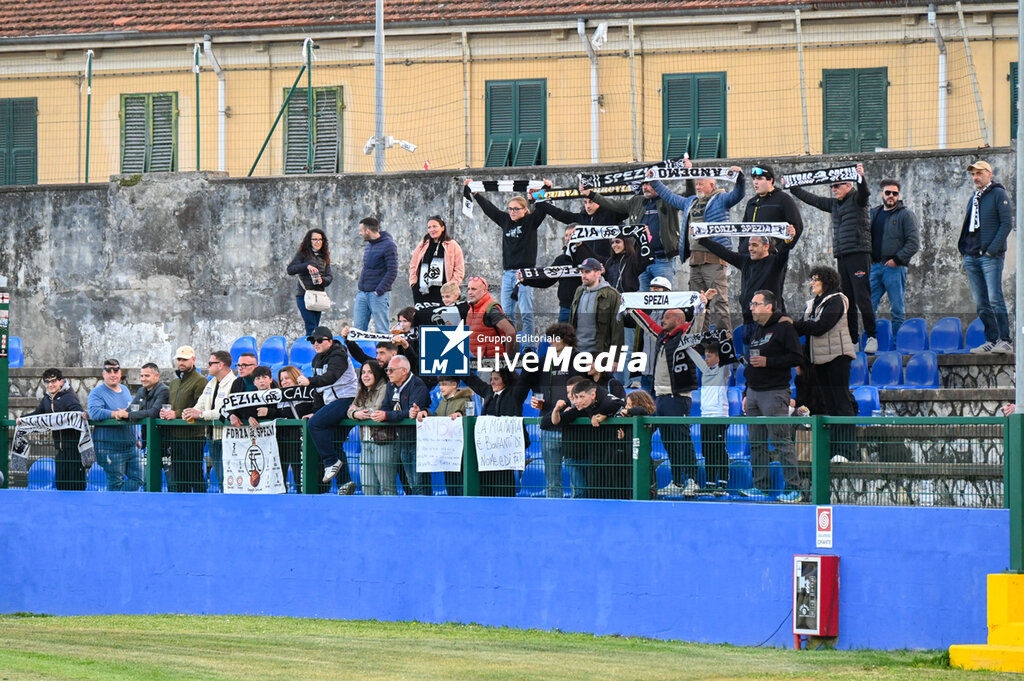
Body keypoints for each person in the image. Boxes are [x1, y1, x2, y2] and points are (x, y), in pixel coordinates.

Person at [789, 163, 878, 353]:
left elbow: (865, 193)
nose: (834, 189)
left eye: (838, 185)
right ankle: (853, 339)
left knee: (863, 297)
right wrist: (793, 187)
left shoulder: (857, 199)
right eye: (832, 186)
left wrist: (860, 178)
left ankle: (871, 336)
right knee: (848, 299)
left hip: (858, 253)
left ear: (849, 185)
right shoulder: (834, 204)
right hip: (842, 255)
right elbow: (813, 199)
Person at [628, 294, 711, 497]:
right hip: (661, 397)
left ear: (677, 320)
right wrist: (630, 307)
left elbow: (697, 324)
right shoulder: (663, 337)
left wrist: (702, 305)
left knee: (682, 439)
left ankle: (693, 480)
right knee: (669, 441)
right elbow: (648, 325)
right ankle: (677, 481)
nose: (662, 320)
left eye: (666, 317)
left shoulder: (686, 336)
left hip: (678, 397)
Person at [463, 181, 562, 346]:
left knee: (526, 313)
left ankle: (529, 348)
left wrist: (547, 189)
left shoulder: (531, 221)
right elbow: (491, 210)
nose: (512, 212)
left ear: (525, 210)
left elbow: (543, 208)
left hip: (524, 274)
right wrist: (475, 194)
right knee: (507, 314)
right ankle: (512, 347)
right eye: (510, 208)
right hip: (508, 273)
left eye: (516, 208)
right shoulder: (505, 220)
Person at [651, 162, 745, 332]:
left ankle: (724, 340)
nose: (698, 186)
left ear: (712, 185)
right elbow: (669, 196)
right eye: (697, 183)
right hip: (695, 261)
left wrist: (740, 179)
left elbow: (738, 195)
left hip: (714, 258)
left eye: (702, 183)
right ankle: (700, 339)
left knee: (718, 301)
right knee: (698, 303)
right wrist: (654, 181)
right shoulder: (691, 202)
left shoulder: (722, 199)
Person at [790, 266, 858, 461]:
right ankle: (834, 450)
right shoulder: (814, 303)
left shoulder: (836, 299)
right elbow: (807, 328)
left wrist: (793, 325)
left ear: (826, 281)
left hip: (837, 357)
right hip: (819, 359)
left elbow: (821, 327)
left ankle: (846, 452)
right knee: (830, 405)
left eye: (815, 279)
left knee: (842, 403)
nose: (811, 282)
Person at [742, 290, 804, 502]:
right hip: (753, 393)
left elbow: (797, 357)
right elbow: (751, 363)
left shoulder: (784, 328)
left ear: (769, 306)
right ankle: (761, 487)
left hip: (775, 391)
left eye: (756, 304)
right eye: (751, 304)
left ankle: (793, 489)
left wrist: (769, 362)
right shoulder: (757, 330)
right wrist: (745, 391)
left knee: (781, 441)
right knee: (756, 443)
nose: (751, 308)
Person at [698, 228, 800, 343]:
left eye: (755, 245)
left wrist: (788, 238)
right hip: (748, 323)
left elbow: (784, 252)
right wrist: (702, 239)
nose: (750, 248)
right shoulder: (745, 261)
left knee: (765, 358)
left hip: (768, 324)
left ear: (766, 246)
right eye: (749, 245)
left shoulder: (775, 262)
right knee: (749, 359)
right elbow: (724, 252)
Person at [958, 161, 1015, 354]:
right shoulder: (974, 197)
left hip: (990, 256)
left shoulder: (999, 194)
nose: (975, 177)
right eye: (973, 174)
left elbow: (1006, 223)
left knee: (995, 299)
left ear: (989, 174)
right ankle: (992, 339)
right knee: (981, 303)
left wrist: (991, 250)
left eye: (979, 173)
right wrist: (965, 250)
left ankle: (1005, 340)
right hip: (971, 256)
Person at [582, 181, 680, 291]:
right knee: (641, 301)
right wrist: (591, 194)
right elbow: (612, 204)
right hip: (640, 261)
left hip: (662, 260)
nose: (645, 187)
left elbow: (688, 201)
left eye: (649, 184)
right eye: (643, 184)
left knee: (664, 300)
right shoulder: (636, 201)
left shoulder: (668, 200)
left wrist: (689, 177)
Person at [297, 326, 359, 494]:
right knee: (334, 442)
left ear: (330, 341)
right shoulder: (317, 359)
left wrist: (310, 381)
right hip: (331, 402)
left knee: (315, 425)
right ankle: (344, 483)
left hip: (347, 399)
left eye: (319, 340)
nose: (315, 344)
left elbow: (331, 377)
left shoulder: (338, 354)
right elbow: (319, 391)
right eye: (313, 341)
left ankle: (330, 462)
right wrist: (316, 410)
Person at [543, 379, 625, 499]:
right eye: (575, 397)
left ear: (592, 395)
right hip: (595, 454)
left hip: (616, 452)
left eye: (581, 397)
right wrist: (556, 409)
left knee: (614, 491)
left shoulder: (609, 402)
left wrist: (603, 415)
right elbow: (548, 423)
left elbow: (620, 405)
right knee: (593, 491)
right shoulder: (580, 407)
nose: (577, 401)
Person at [462, 366, 531, 496]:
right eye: (491, 379)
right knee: (487, 482)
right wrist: (458, 366)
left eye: (496, 379)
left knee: (504, 482)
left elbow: (526, 378)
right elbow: (472, 380)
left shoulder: (515, 394)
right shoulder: (489, 392)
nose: (492, 382)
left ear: (505, 380)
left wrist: (529, 357)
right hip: (489, 449)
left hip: (507, 448)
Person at [372, 355, 431, 495]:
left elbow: (410, 412)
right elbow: (387, 407)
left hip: (419, 441)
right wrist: (385, 414)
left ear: (404, 371)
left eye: (391, 370)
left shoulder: (418, 385)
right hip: (403, 440)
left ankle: (426, 510)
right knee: (411, 482)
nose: (388, 373)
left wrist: (387, 416)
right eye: (387, 370)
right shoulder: (390, 386)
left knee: (419, 482)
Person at [868, 179, 919, 337]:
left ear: (898, 195)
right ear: (881, 194)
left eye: (894, 193)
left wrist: (896, 260)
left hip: (895, 268)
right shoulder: (874, 213)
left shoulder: (906, 214)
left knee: (897, 309)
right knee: (869, 307)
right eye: (888, 193)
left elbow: (913, 243)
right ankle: (872, 339)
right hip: (875, 266)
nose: (891, 196)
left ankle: (898, 344)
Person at [25, 368, 88, 491]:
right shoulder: (47, 399)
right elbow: (37, 414)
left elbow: (77, 410)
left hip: (75, 451)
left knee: (76, 487)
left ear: (61, 381)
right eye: (47, 382)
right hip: (60, 450)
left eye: (53, 381)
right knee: (61, 485)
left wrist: (83, 414)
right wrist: (22, 419)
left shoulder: (69, 396)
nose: (50, 385)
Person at [182, 351, 235, 491]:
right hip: (212, 436)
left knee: (228, 478)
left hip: (227, 438)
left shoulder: (234, 383)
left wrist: (200, 414)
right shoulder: (212, 382)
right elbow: (201, 403)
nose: (208, 366)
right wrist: (190, 412)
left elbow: (224, 411)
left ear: (221, 365)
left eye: (211, 363)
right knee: (220, 476)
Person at [683, 341, 732, 495]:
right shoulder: (705, 370)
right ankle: (710, 484)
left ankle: (722, 484)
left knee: (719, 450)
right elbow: (695, 357)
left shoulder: (723, 370)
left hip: (719, 416)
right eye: (706, 356)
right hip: (705, 416)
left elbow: (728, 356)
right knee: (708, 450)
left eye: (709, 356)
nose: (706, 359)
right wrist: (684, 344)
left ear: (718, 358)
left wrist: (727, 340)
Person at [87, 359, 142, 491]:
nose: (113, 374)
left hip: (131, 446)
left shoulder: (124, 389)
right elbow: (94, 412)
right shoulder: (97, 392)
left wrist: (137, 436)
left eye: (116, 370)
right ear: (103, 373)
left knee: (140, 479)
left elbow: (129, 412)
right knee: (115, 483)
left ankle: (120, 505)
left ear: (120, 372)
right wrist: (115, 414)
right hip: (109, 448)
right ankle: (114, 509)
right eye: (108, 370)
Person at [536, 182, 627, 258]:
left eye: (591, 202)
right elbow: (561, 214)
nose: (587, 206)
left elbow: (628, 208)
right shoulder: (581, 217)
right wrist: (538, 200)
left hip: (608, 262)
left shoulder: (611, 214)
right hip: (588, 264)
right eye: (585, 202)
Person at [160, 345, 207, 493]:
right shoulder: (174, 383)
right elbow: (173, 407)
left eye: (184, 359)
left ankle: (201, 507)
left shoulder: (201, 381)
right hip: (175, 436)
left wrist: (176, 413)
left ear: (193, 360)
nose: (181, 362)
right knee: (180, 479)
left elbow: (200, 407)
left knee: (195, 477)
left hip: (193, 436)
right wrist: (166, 413)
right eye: (179, 359)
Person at [517, 225, 585, 324]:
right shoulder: (561, 260)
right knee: (562, 338)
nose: (569, 238)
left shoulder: (590, 259)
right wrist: (526, 280)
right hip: (566, 308)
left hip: (586, 308)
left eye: (572, 234)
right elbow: (547, 280)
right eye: (566, 235)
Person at [418, 377, 474, 496]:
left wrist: (460, 414)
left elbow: (469, 417)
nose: (441, 387)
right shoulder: (443, 401)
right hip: (447, 452)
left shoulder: (466, 400)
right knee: (451, 484)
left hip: (461, 451)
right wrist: (426, 413)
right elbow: (437, 418)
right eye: (440, 384)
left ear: (455, 385)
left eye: (444, 384)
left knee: (461, 484)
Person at [348, 361, 393, 495]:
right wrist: (355, 413)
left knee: (386, 486)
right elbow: (350, 410)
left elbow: (376, 410)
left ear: (377, 374)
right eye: (363, 373)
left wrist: (358, 411)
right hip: (365, 442)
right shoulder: (362, 391)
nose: (365, 376)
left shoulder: (384, 387)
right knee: (368, 486)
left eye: (370, 372)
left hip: (382, 442)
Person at [569, 258, 624, 357]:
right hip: (576, 352)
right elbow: (572, 322)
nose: (583, 275)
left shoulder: (611, 294)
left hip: (599, 353)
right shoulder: (579, 291)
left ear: (598, 273)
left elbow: (617, 328)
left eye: (587, 272)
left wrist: (615, 358)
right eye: (582, 272)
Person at [274, 365, 316, 492]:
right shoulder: (278, 397)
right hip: (283, 442)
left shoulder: (308, 393)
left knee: (301, 477)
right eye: (281, 379)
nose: (284, 382)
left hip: (302, 441)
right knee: (281, 476)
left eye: (287, 378)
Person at [408, 215, 465, 305]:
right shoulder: (423, 244)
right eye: (429, 227)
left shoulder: (452, 245)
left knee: (441, 317)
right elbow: (413, 265)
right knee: (423, 318)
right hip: (422, 291)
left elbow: (459, 269)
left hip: (443, 293)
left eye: (435, 226)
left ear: (442, 228)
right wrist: (413, 283)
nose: (432, 230)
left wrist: (452, 287)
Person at [354, 216, 398, 333]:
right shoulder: (369, 245)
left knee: (382, 331)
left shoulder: (389, 245)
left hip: (378, 295)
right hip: (362, 294)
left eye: (361, 231)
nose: (360, 233)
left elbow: (392, 271)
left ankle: (384, 351)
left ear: (368, 231)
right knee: (358, 332)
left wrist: (379, 291)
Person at [287, 228, 333, 336]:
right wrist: (306, 266)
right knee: (311, 326)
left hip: (318, 296)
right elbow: (290, 270)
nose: (318, 242)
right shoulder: (302, 255)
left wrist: (322, 280)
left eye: (320, 240)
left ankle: (315, 349)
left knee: (316, 326)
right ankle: (311, 350)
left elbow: (330, 277)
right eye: (315, 239)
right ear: (309, 241)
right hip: (304, 295)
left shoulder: (324, 257)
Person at [466, 276, 518, 360]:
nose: (469, 292)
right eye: (468, 289)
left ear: (484, 290)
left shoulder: (491, 309)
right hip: (475, 363)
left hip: (490, 365)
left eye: (474, 289)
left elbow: (511, 332)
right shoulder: (471, 308)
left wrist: (506, 359)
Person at [128, 362, 169, 465]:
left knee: (170, 477)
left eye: (147, 375)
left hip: (163, 442)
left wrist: (128, 415)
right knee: (147, 477)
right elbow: (130, 409)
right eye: (141, 376)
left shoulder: (163, 390)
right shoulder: (141, 390)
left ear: (157, 376)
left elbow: (154, 412)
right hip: (147, 441)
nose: (143, 379)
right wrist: (119, 413)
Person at [226, 352, 259, 428]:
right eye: (238, 365)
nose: (240, 368)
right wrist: (231, 415)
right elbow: (230, 406)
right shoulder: (237, 383)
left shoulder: (267, 382)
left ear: (255, 366)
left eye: (244, 365)